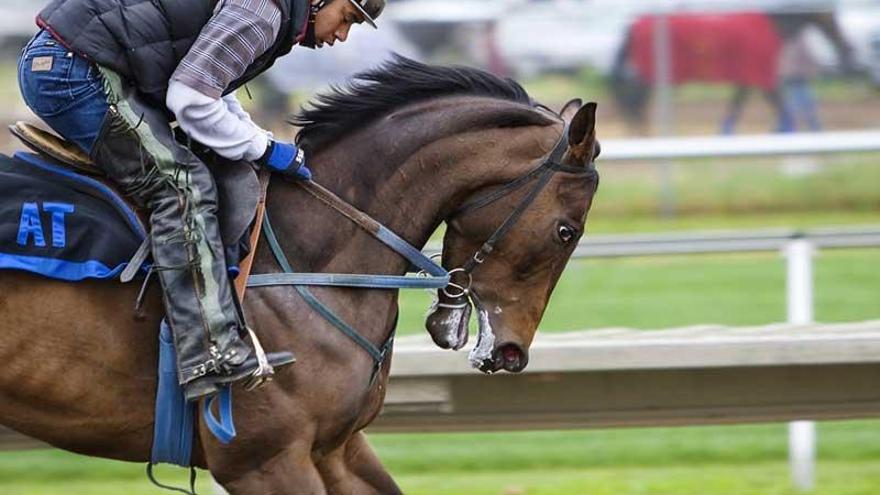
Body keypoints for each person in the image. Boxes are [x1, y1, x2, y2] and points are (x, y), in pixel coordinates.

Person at [18, 0, 385, 401]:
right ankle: (208, 351)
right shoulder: (264, 14)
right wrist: (263, 149)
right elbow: (190, 99)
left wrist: (258, 142)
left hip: (79, 63)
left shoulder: (269, 11)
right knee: (182, 186)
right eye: (347, 18)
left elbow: (212, 88)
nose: (342, 35)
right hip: (74, 74)